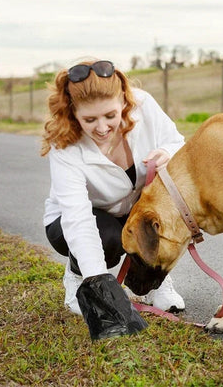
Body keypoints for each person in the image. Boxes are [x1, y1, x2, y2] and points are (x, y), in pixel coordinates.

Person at [41, 59, 185, 339]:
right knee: (107, 237)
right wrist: (99, 286)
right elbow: (78, 219)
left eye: (110, 115)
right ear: (73, 113)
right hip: (76, 220)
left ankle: (155, 286)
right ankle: (77, 276)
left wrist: (167, 153)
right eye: (89, 120)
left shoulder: (144, 105)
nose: (102, 127)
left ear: (123, 100)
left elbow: (177, 141)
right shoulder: (65, 146)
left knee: (168, 220)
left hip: (133, 209)